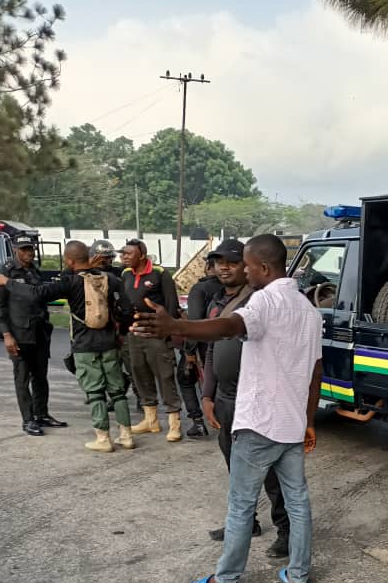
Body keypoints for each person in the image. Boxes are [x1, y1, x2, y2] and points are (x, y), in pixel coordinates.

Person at [132, 233, 322, 583]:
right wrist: (310, 421)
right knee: (298, 502)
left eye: (248, 266)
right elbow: (316, 373)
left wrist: (177, 327)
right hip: (292, 425)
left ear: (264, 267)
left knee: (240, 505)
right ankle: (298, 576)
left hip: (259, 424)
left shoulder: (266, 301)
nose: (245, 273)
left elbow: (230, 326)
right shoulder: (309, 311)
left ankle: (226, 580)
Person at [0, 240, 135, 452]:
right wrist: (121, 333)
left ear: (69, 260)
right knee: (117, 391)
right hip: (109, 342)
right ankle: (126, 436)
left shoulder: (69, 282)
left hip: (84, 345)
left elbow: (36, 294)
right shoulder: (111, 279)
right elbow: (127, 310)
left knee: (95, 392)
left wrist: (7, 282)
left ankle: (103, 438)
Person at [200, 239, 290, 555]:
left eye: (233, 262)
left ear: (249, 266)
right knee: (234, 463)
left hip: (254, 397)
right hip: (225, 397)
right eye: (218, 261)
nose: (224, 267)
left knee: (268, 470)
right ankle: (245, 521)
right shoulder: (217, 300)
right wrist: (207, 395)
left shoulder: (263, 301)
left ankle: (286, 530)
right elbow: (212, 348)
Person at [0, 233, 67, 435]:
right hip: (19, 334)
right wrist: (7, 335)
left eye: (31, 249)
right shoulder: (5, 273)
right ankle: (28, 420)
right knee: (22, 378)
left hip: (39, 332)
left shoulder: (34, 270)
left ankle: (41, 414)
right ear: (16, 250)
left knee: (40, 376)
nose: (29, 252)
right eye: (25, 249)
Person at [119, 238, 182, 441]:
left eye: (128, 253)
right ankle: (151, 421)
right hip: (133, 333)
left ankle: (174, 424)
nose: (124, 257)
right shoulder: (125, 274)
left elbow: (171, 305)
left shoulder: (159, 273)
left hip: (156, 333)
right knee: (140, 374)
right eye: (123, 253)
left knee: (165, 376)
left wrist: (168, 333)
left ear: (142, 255)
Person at [90, 239, 140, 410]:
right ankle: (113, 396)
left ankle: (141, 397)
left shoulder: (120, 274)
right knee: (108, 367)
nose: (106, 261)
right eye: (101, 258)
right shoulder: (86, 274)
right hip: (98, 326)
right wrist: (89, 267)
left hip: (120, 325)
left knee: (131, 363)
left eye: (108, 257)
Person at [176, 254, 221, 438]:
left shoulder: (200, 289)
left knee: (185, 379)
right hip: (228, 345)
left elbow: (194, 322)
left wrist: (189, 352)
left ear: (208, 266)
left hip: (204, 346)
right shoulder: (235, 288)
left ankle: (197, 421)